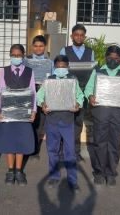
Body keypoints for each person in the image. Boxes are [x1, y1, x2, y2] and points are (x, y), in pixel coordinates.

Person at [84, 45, 120, 187]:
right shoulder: (97, 71)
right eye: (110, 57)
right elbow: (89, 88)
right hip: (101, 111)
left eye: (116, 58)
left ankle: (111, 172)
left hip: (118, 113)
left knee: (115, 143)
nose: (113, 60)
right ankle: (99, 172)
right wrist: (90, 97)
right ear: (106, 57)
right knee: (100, 142)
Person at [36, 55, 84, 193]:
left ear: (68, 67)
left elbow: (80, 96)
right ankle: (54, 176)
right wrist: (42, 104)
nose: (61, 69)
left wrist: (78, 104)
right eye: (58, 67)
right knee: (52, 151)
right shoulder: (49, 80)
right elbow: (39, 96)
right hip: (52, 121)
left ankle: (72, 181)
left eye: (64, 67)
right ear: (54, 67)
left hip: (68, 121)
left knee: (70, 152)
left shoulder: (73, 80)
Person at [0, 44, 37, 186]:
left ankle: (19, 171)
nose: (16, 57)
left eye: (18, 55)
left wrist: (34, 110)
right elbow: (1, 92)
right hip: (8, 111)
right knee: (9, 142)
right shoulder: (4, 71)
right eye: (13, 55)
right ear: (10, 55)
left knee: (21, 141)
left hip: (24, 112)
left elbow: (33, 92)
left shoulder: (30, 71)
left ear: (23, 55)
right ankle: (10, 171)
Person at [60, 24, 94, 162]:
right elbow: (60, 70)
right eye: (76, 35)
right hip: (68, 90)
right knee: (66, 121)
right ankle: (63, 151)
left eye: (82, 35)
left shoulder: (90, 52)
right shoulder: (65, 50)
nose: (79, 37)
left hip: (83, 92)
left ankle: (75, 151)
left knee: (78, 123)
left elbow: (92, 72)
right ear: (72, 36)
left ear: (84, 37)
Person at [26, 35, 53, 160]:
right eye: (35, 46)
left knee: (39, 123)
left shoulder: (50, 62)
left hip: (43, 94)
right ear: (32, 47)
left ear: (45, 47)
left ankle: (35, 151)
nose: (38, 49)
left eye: (41, 46)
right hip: (28, 94)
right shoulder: (26, 61)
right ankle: (26, 148)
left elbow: (52, 80)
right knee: (28, 122)